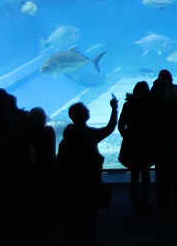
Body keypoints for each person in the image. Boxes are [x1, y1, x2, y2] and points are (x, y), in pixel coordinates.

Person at [57, 96, 118, 246]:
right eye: (86, 109)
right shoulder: (88, 134)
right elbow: (109, 128)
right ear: (83, 115)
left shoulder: (68, 134)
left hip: (70, 182)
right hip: (88, 181)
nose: (89, 110)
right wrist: (114, 109)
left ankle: (70, 237)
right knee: (88, 211)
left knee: (71, 212)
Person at [151, 70, 177, 216]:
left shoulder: (154, 101)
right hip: (176, 140)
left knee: (162, 171)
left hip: (160, 141)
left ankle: (163, 202)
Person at [118, 80, 154, 213]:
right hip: (147, 143)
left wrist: (126, 136)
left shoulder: (128, 105)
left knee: (134, 173)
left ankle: (134, 200)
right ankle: (145, 200)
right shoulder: (150, 105)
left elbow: (121, 125)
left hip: (132, 143)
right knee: (145, 173)